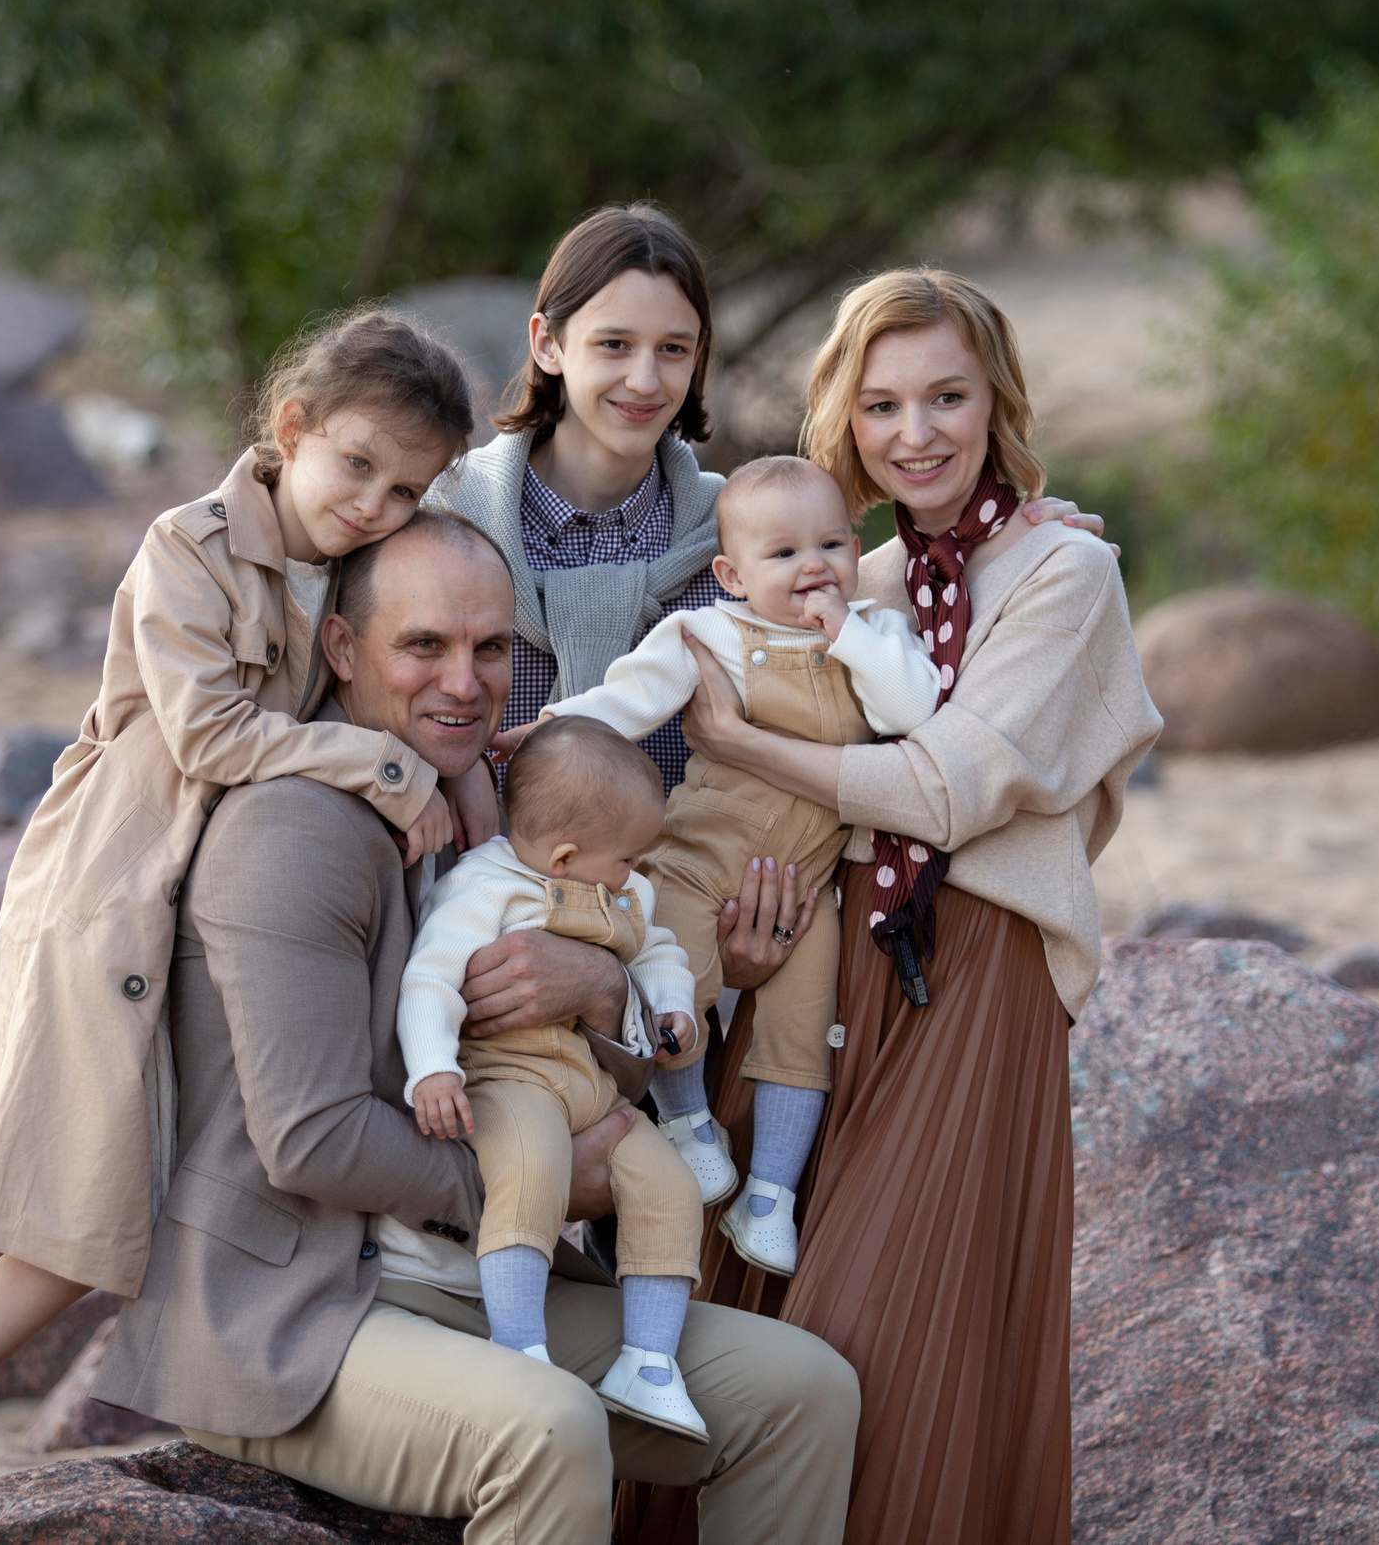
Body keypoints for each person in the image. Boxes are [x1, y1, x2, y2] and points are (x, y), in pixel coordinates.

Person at [0, 308, 501, 1530]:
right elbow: (210, 733)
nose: (375, 504)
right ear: (291, 428)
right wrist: (390, 773)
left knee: (11, 1203)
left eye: (406, 489)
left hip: (175, 921)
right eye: (357, 467)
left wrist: (473, 784)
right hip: (106, 898)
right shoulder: (190, 547)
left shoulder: (343, 570)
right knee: (72, 1216)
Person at [94, 511, 860, 1544]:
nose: (465, 681)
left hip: (472, 1274)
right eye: (424, 646)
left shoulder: (510, 806)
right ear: (342, 649)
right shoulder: (294, 831)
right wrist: (556, 1185)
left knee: (803, 1390)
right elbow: (310, 1138)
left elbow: (585, 1078)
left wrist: (597, 988)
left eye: (489, 648)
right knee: (544, 1432)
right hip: (305, 1307)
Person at [435, 202, 1106, 1232]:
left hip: (691, 915)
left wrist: (1023, 525)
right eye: (613, 343)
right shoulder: (449, 521)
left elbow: (854, 595)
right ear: (547, 343)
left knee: (658, 1241)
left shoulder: (743, 530)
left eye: (676, 349)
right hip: (487, 913)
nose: (645, 379)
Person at [621, 268, 1162, 1545]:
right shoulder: (840, 580)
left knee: (883, 1329)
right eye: (881, 406)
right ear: (843, 423)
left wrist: (745, 746)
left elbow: (946, 786)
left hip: (976, 968)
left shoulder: (1061, 574)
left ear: (996, 403)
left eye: (945, 398)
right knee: (744, 1295)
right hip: (821, 950)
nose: (914, 433)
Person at [520, 456, 940, 1277]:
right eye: (783, 554)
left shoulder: (876, 637)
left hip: (806, 888)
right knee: (675, 976)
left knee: (803, 1035)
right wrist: (545, 730)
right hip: (700, 855)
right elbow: (624, 702)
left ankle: (769, 1198)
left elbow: (913, 711)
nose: (813, 567)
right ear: (732, 575)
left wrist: (845, 632)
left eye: (830, 544)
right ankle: (687, 1123)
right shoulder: (711, 633)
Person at [398, 717, 710, 1436]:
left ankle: (650, 1360)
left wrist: (670, 1002)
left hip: (586, 1080)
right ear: (566, 856)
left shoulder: (625, 896)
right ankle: (519, 1347)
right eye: (628, 858)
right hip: (508, 1077)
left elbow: (658, 950)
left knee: (668, 1185)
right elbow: (431, 979)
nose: (636, 873)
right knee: (533, 1167)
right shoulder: (485, 889)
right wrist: (433, 1069)